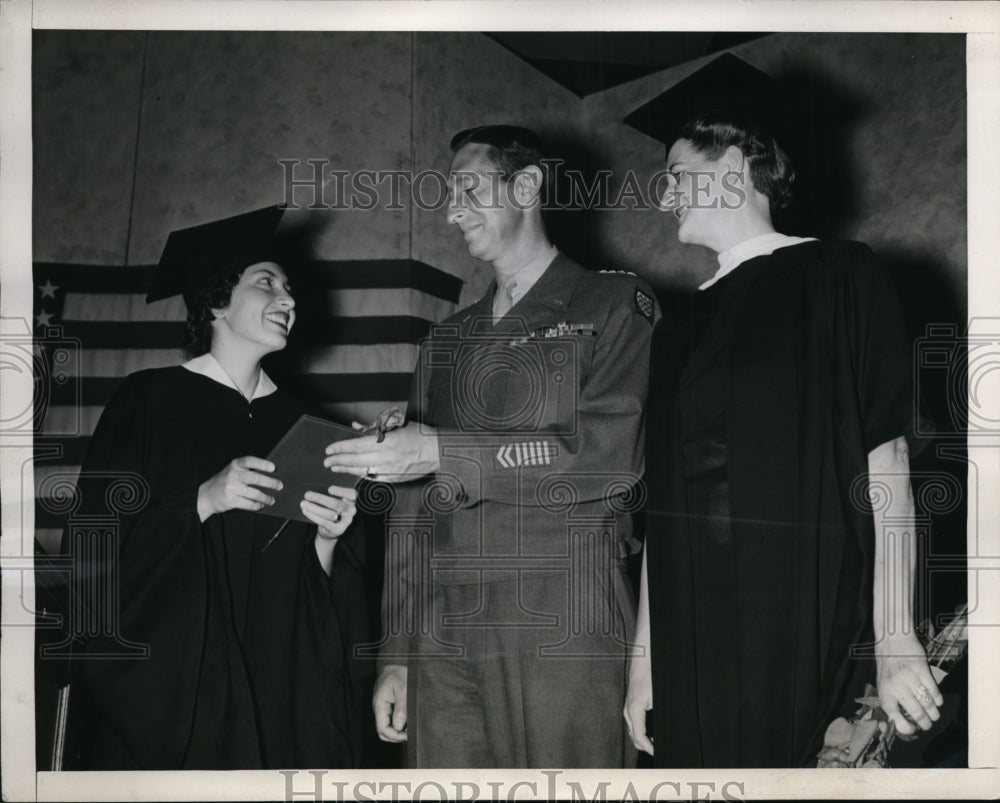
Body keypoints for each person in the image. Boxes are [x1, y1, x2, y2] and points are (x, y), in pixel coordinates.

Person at [621, 54, 943, 768]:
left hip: (804, 617)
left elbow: (885, 464)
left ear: (733, 167)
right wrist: (644, 661)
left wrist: (895, 638)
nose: (664, 194)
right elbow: (664, 517)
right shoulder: (675, 327)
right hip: (694, 638)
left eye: (675, 174)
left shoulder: (840, 277)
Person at [324, 125, 658, 767]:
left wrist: (443, 452)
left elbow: (606, 458)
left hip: (561, 610)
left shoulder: (613, 302)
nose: (451, 211)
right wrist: (398, 652)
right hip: (443, 628)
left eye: (468, 188)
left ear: (527, 186)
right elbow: (413, 514)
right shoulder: (444, 340)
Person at [61, 205, 368, 770]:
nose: (289, 299)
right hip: (179, 685)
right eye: (267, 282)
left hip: (277, 686)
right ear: (217, 302)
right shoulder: (148, 400)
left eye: (291, 289)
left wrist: (326, 540)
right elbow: (92, 546)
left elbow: (312, 590)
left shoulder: (302, 426)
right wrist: (202, 501)